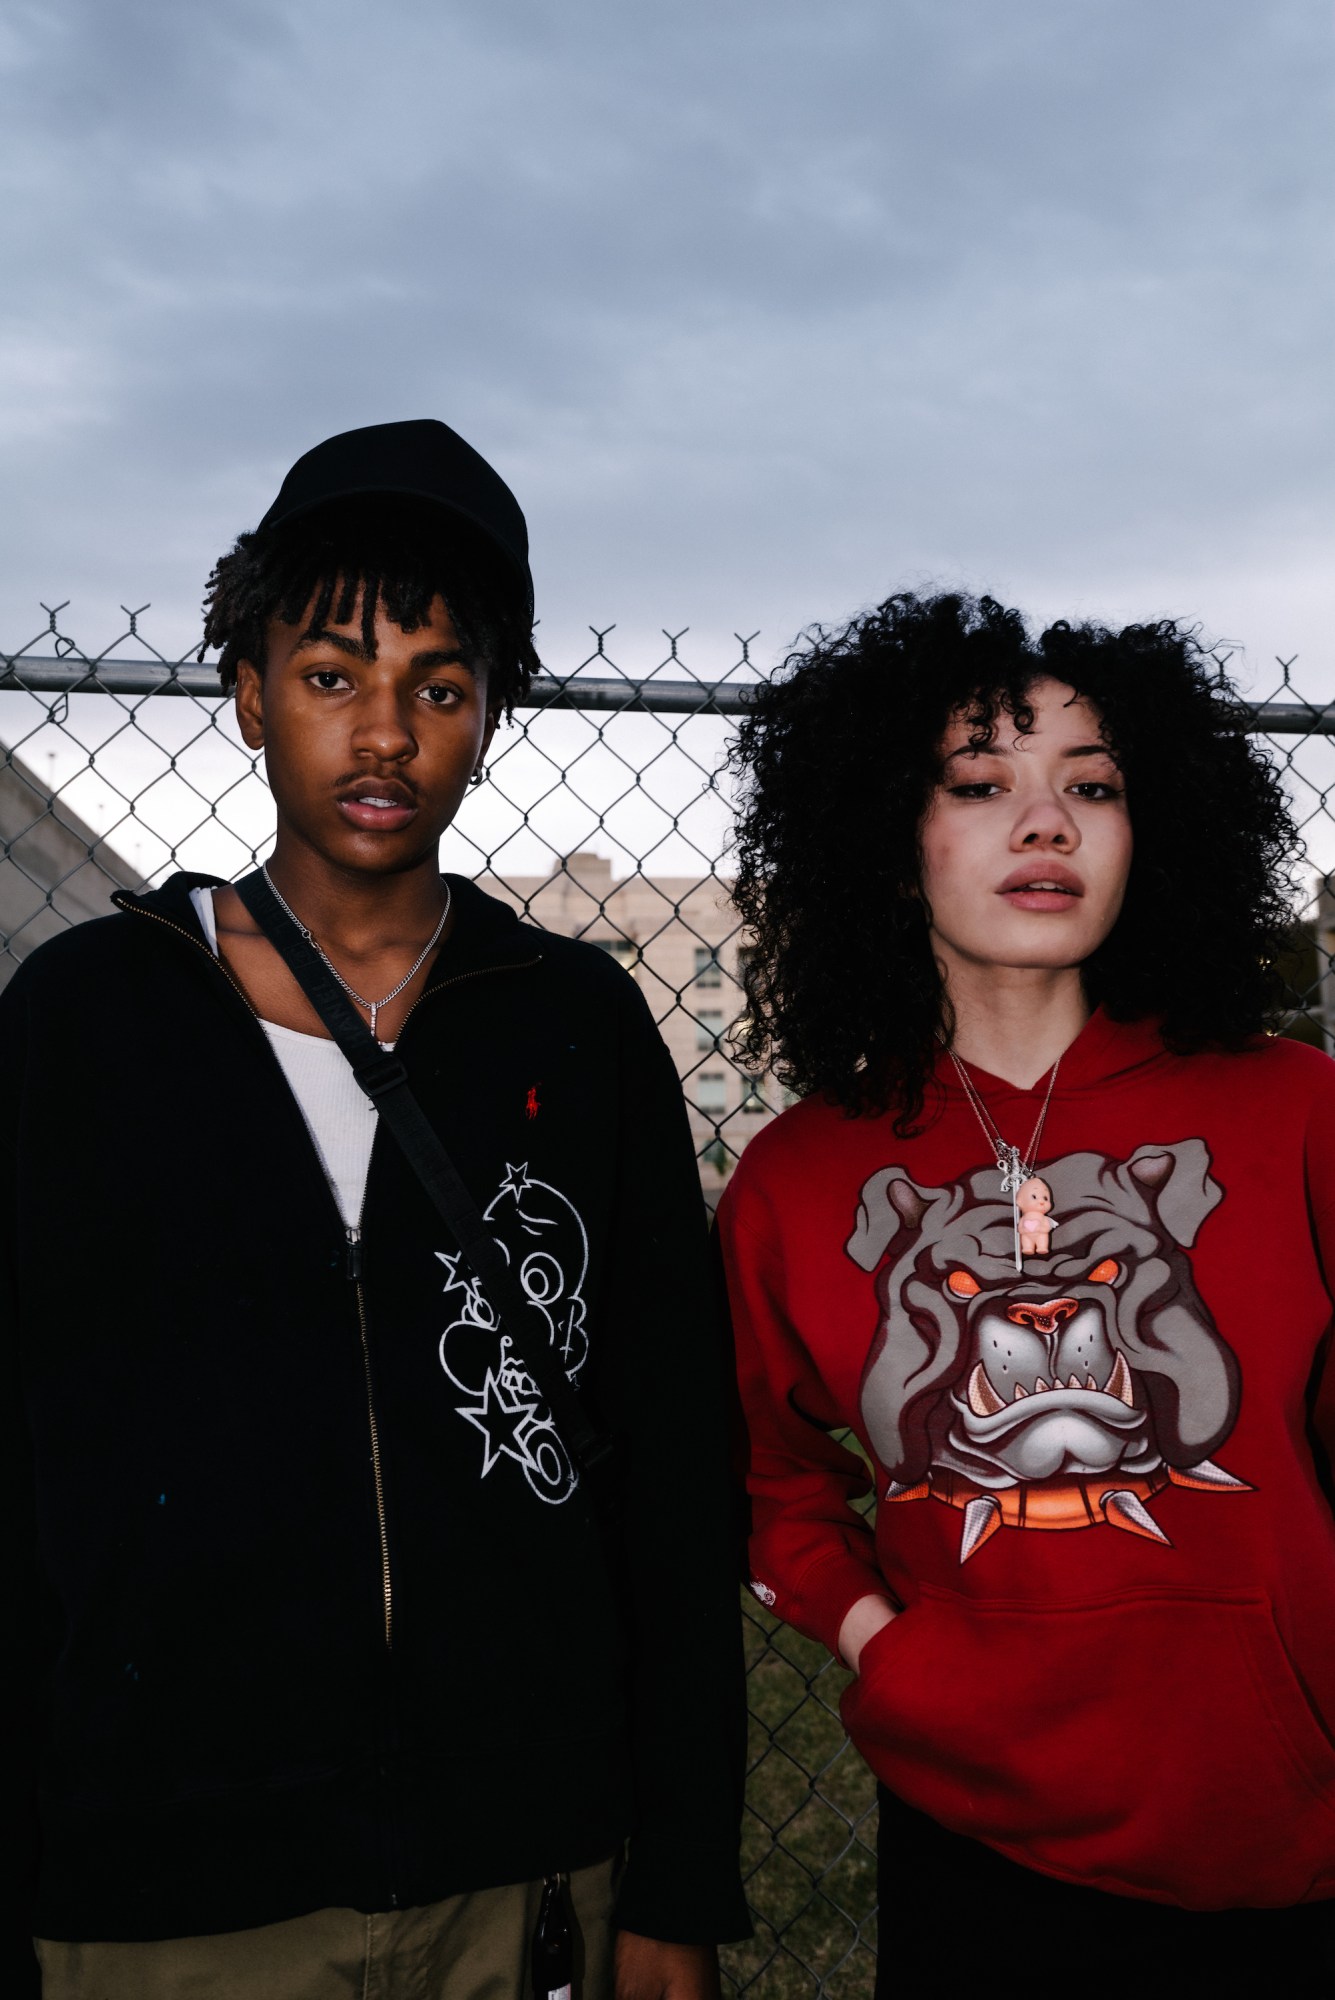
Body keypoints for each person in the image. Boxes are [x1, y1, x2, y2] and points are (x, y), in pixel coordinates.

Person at [1, 419, 748, 1997]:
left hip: (525, 1867)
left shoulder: (571, 1023)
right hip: (167, 1889)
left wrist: (674, 1875)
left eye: (441, 682)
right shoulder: (87, 1019)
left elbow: (677, 1479)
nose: (386, 733)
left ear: (490, 714)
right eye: (334, 674)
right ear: (250, 692)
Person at [717, 591, 1335, 1985]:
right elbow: (768, 1476)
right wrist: (884, 1644)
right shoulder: (800, 1177)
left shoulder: (1300, 1114)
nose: (1045, 824)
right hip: (977, 1841)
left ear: (1148, 828)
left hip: (1295, 1835)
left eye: (1093, 786)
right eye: (981, 783)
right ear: (888, 835)